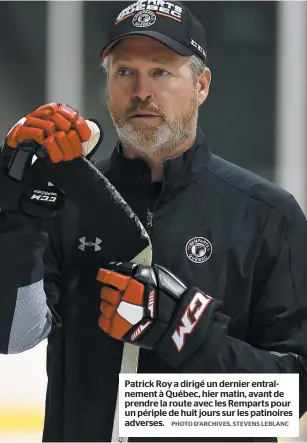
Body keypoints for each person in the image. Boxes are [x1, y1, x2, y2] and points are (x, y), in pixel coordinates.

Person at [0, 1, 307, 442]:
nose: (141, 89)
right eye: (125, 71)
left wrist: (187, 333)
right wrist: (15, 222)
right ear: (107, 84)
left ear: (201, 84)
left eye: (161, 72)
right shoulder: (66, 199)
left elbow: (292, 397)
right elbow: (15, 337)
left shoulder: (267, 214)